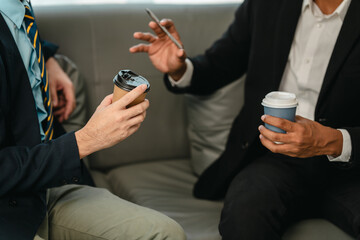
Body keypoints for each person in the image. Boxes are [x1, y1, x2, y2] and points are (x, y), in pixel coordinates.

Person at [130, 0, 360, 239]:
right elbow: (219, 64)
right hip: (276, 159)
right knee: (245, 213)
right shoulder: (266, 5)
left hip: (352, 165)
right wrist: (179, 69)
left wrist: (334, 141)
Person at [0, 0, 186, 239]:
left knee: (166, 234)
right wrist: (86, 140)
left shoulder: (18, 8)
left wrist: (45, 58)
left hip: (45, 187)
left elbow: (15, 31)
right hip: (8, 210)